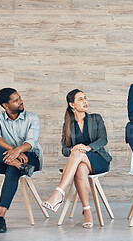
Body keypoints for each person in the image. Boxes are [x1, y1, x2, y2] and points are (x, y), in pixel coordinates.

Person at [42, 89, 112, 229]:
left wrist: (87, 148)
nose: (85, 101)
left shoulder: (96, 118)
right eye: (80, 99)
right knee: (80, 169)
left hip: (99, 160)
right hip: (80, 163)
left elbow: (103, 140)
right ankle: (87, 211)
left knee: (78, 153)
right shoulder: (68, 125)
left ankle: (59, 193)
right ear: (72, 105)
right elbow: (65, 149)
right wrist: (74, 149)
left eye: (85, 98)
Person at [0, 88, 42, 233]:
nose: (20, 102)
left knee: (13, 169)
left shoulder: (32, 118)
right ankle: (18, 165)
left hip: (30, 159)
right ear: (5, 105)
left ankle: (0, 216)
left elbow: (32, 141)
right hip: (9, 160)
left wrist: (18, 151)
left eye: (19, 98)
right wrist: (13, 153)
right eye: (15, 100)